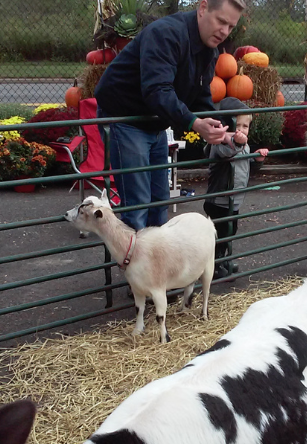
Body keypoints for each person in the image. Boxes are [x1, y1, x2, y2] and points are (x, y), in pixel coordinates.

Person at [95, 0, 246, 231]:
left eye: (231, 27)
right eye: (221, 21)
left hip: (154, 122)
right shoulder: (166, 34)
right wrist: (193, 122)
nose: (224, 32)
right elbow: (157, 91)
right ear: (203, 8)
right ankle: (132, 267)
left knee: (159, 204)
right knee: (136, 206)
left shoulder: (209, 49)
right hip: (124, 118)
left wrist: (219, 130)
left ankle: (156, 266)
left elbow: (201, 97)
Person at [203, 97, 269, 279]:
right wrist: (237, 143)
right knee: (218, 235)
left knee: (230, 232)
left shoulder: (245, 145)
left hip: (235, 201)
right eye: (236, 126)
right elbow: (227, 153)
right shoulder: (218, 144)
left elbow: (245, 167)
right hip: (219, 201)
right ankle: (212, 265)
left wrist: (257, 159)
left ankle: (224, 260)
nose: (240, 130)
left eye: (244, 127)